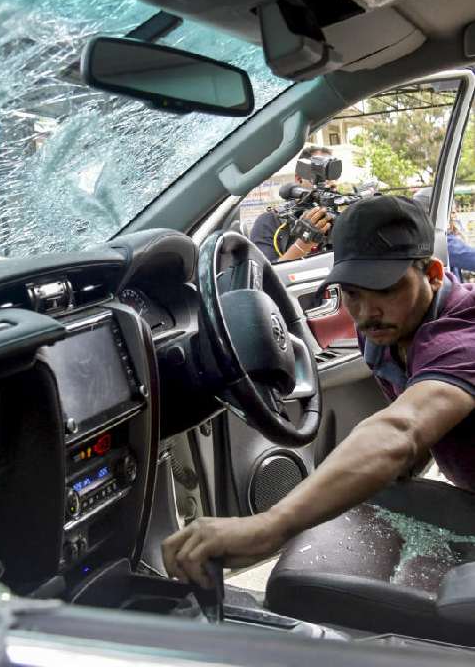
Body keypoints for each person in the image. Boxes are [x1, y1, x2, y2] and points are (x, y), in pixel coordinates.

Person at [162, 194, 475, 587]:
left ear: (431, 272)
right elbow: (418, 413)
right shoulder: (386, 332)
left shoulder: (460, 337)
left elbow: (403, 430)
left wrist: (270, 525)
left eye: (386, 289)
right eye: (353, 292)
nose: (365, 313)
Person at [249, 146, 335, 262]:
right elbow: (265, 277)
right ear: (299, 179)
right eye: (321, 176)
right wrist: (302, 245)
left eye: (332, 175)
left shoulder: (343, 217)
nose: (330, 182)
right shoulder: (271, 221)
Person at [412, 187, 475, 280]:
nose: (454, 215)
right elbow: (470, 258)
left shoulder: (414, 235)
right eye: (451, 212)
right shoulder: (438, 239)